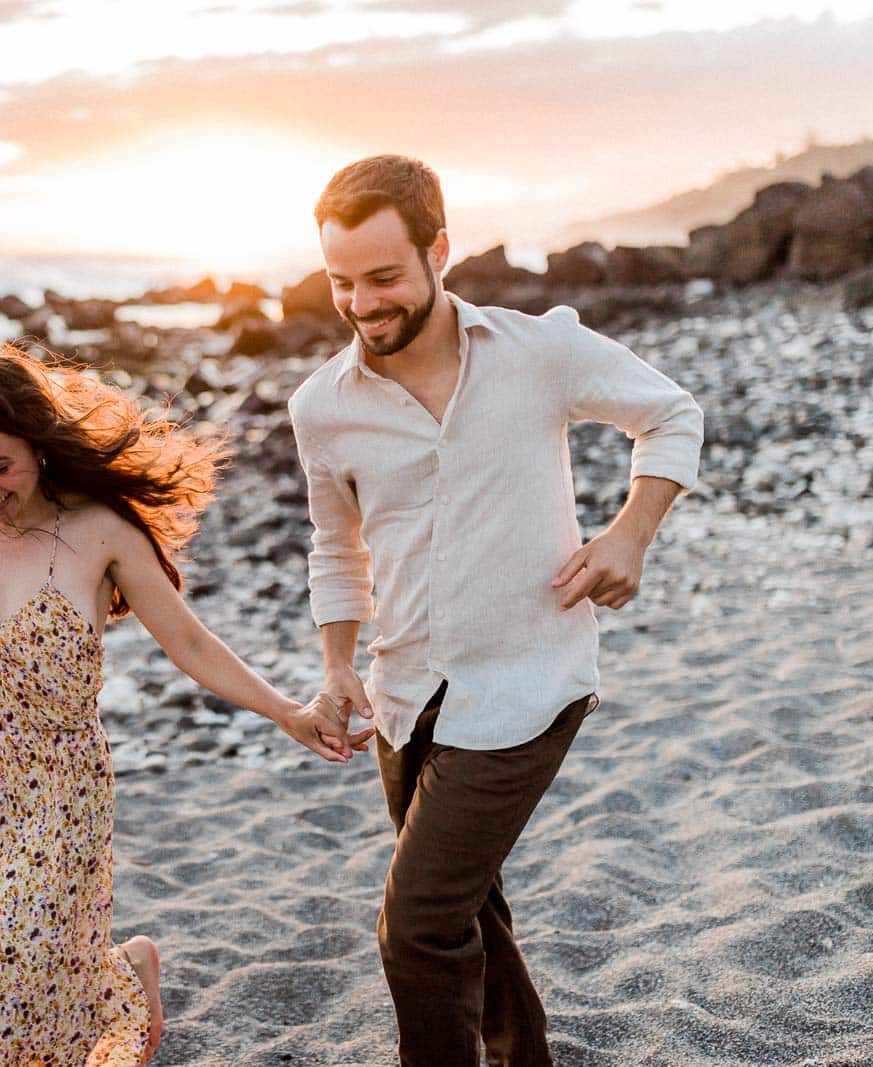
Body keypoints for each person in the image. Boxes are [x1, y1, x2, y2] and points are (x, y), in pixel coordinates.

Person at [288, 156, 703, 1067]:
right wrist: (336, 664)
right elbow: (335, 548)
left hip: (528, 683)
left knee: (417, 927)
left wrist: (632, 531)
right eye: (341, 280)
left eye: (385, 276)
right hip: (405, 696)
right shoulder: (321, 407)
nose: (362, 302)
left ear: (441, 249)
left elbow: (671, 415)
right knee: (471, 908)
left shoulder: (539, 351)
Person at [0, 346, 374, 1067]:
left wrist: (286, 710)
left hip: (60, 795)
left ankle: (116, 976)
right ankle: (120, 968)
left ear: (39, 443)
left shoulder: (102, 532)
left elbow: (189, 640)